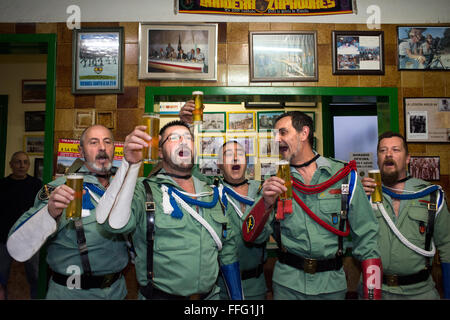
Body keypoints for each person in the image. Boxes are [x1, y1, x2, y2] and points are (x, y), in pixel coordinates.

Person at [95, 120, 243, 300]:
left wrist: (237, 300)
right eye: (174, 137)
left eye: (188, 138)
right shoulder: (144, 190)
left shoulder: (212, 193)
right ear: (159, 151)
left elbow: (227, 252)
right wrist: (130, 164)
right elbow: (112, 224)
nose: (183, 141)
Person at [242, 111, 382, 300]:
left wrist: (373, 293)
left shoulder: (343, 176)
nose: (276, 139)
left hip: (331, 285)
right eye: (275, 134)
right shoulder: (274, 180)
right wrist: (265, 204)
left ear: (304, 133)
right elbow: (251, 236)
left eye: (283, 132)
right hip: (287, 285)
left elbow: (367, 237)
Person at [7, 125, 129, 299]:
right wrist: (50, 213)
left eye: (107, 142)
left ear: (114, 149)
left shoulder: (124, 189)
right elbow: (19, 247)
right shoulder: (61, 188)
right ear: (81, 151)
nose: (102, 147)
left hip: (117, 291)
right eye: (93, 142)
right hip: (71, 292)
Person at [180, 100, 267, 299]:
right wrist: (187, 127)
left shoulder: (263, 191)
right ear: (219, 164)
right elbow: (186, 168)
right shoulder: (211, 192)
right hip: (220, 286)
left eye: (240, 155)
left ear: (247, 162)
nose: (235, 158)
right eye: (228, 155)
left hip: (256, 285)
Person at [361, 131, 450, 299]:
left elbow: (447, 246)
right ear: (378, 159)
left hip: (420, 292)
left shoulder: (430, 194)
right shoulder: (366, 194)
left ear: (408, 158)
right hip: (375, 290)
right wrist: (356, 197)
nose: (388, 154)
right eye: (382, 150)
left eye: (395, 149)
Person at [0, 151, 42, 299]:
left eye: (25, 162)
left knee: (36, 276)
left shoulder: (37, 185)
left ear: (29, 165)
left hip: (30, 239)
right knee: (1, 275)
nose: (21, 165)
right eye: (18, 162)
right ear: (11, 165)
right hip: (4, 238)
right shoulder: (2, 185)